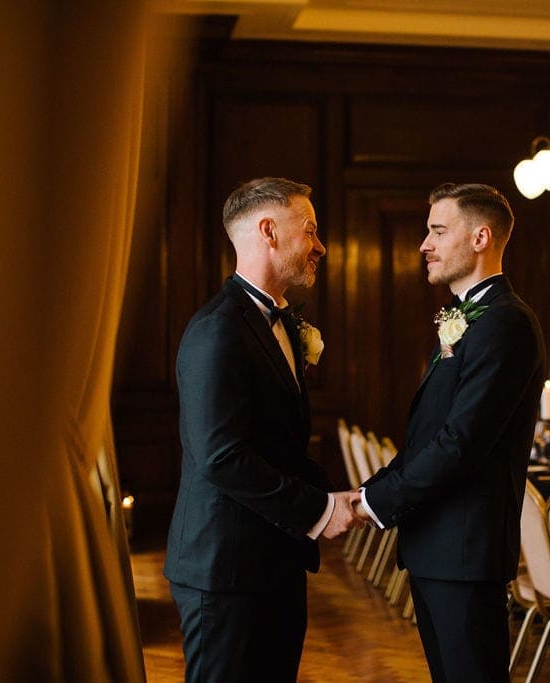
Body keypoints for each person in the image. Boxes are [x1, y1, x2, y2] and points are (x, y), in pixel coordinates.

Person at [164, 177, 363, 682]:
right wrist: (320, 509)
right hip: (226, 572)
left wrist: (356, 498)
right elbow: (222, 457)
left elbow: (279, 446)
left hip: (272, 562)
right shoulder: (217, 329)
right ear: (269, 230)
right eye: (311, 231)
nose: (321, 246)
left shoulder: (278, 325)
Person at [357, 182, 547, 682]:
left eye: (438, 231)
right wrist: (367, 494)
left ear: (480, 237)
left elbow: (460, 444)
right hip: (438, 548)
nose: (424, 244)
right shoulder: (467, 318)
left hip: (466, 552)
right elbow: (429, 437)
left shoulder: (507, 324)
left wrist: (373, 505)